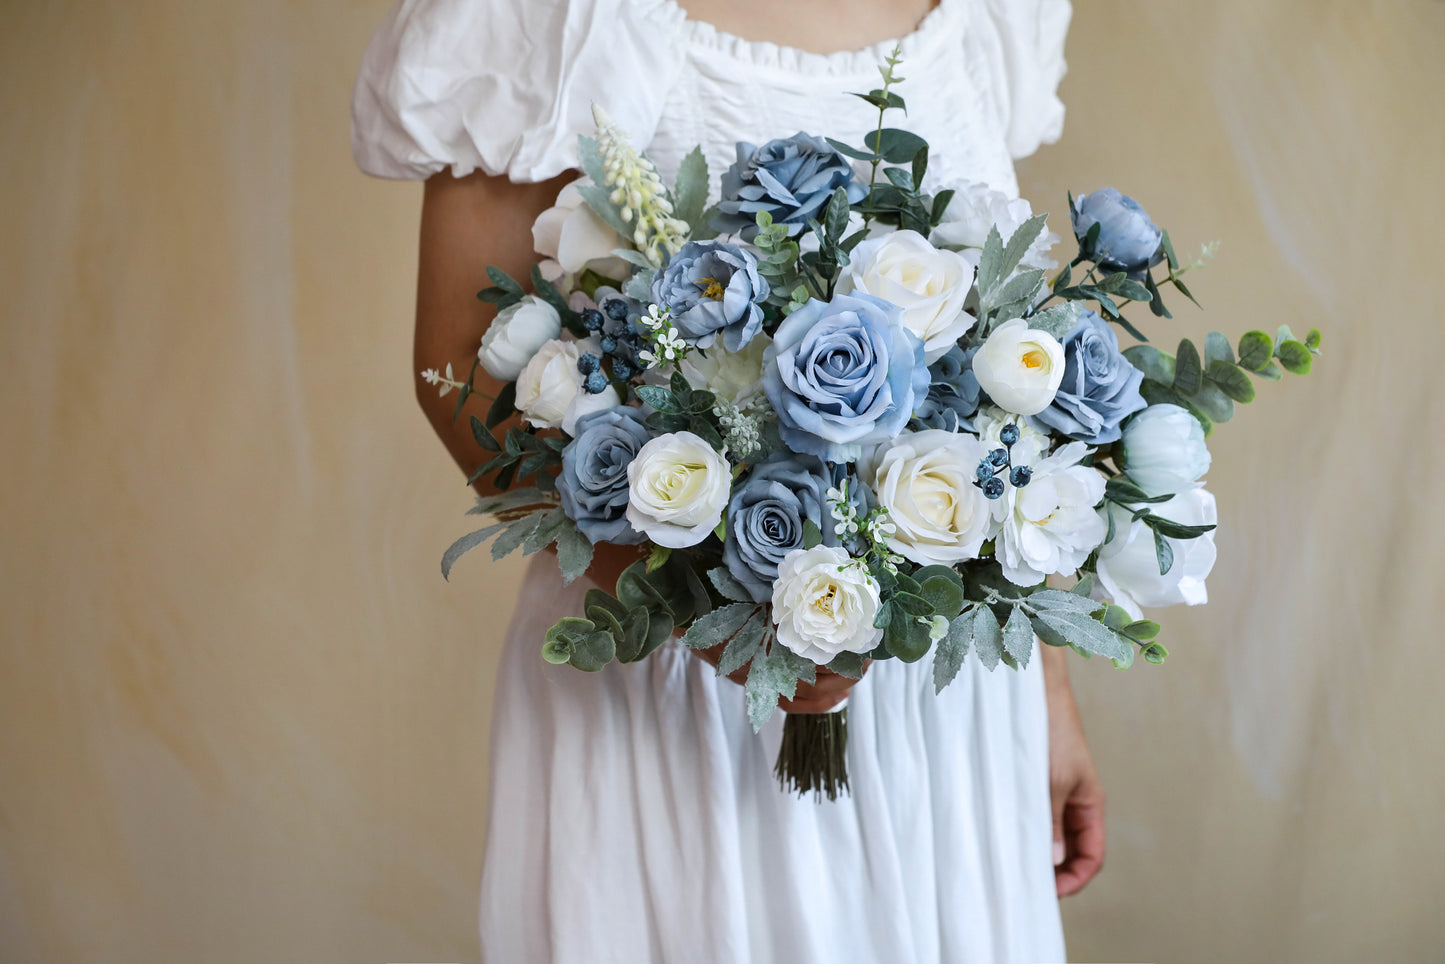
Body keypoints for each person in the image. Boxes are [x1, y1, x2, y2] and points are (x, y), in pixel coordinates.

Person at [352, 0, 1102, 960]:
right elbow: (459, 363)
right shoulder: (541, 16)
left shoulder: (991, 16)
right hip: (666, 685)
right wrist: (727, 625)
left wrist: (1050, 690)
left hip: (943, 706)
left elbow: (1004, 366)